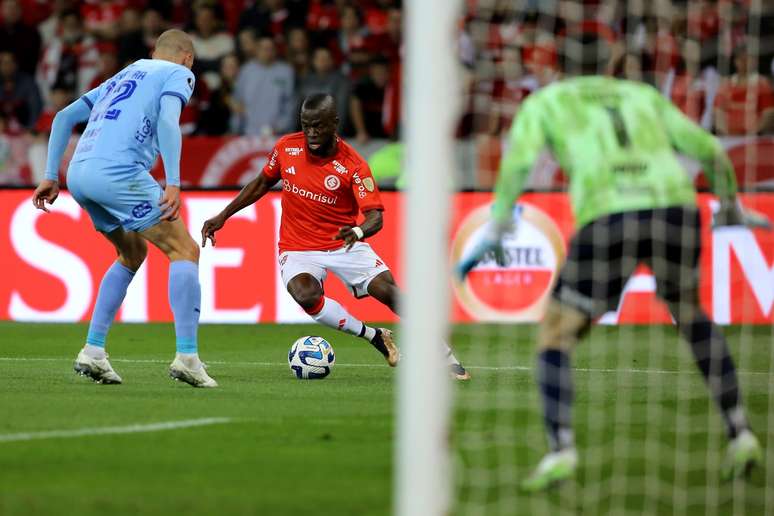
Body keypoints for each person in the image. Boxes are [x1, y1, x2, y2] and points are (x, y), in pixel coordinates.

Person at [461, 39, 769, 491]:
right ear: (610, 63)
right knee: (690, 316)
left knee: (556, 334)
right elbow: (711, 149)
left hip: (608, 215)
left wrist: (501, 220)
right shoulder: (641, 95)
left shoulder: (547, 101)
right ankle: (740, 432)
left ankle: (561, 450)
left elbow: (519, 164)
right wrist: (730, 206)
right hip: (674, 210)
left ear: (558, 68)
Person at [202, 93, 470, 380]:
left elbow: (375, 217)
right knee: (306, 296)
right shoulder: (286, 148)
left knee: (389, 293)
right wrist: (223, 216)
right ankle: (374, 337)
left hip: (345, 244)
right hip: (298, 247)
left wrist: (357, 231)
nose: (312, 133)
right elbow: (260, 184)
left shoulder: (353, 165)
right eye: (306, 125)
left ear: (334, 123)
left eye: (318, 125)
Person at [32, 29, 217, 388]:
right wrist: (174, 182)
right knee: (184, 249)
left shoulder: (124, 74)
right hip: (119, 173)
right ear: (187, 58)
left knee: (131, 253)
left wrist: (50, 175)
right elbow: (167, 121)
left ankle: (93, 351)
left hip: (81, 174)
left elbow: (62, 118)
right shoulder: (178, 73)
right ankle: (188, 357)